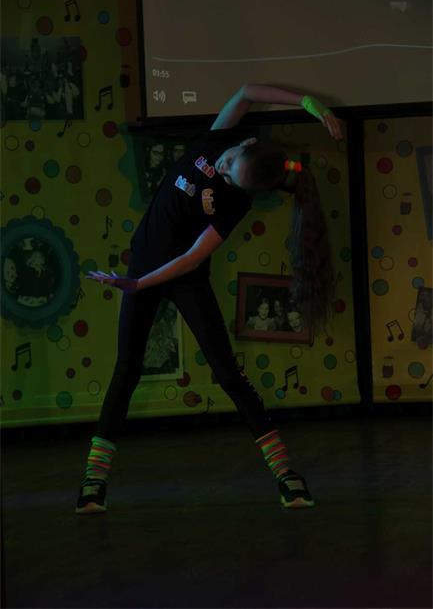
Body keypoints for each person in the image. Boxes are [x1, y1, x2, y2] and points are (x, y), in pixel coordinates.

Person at [75, 84, 343, 514]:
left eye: (232, 175)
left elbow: (190, 259)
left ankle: (286, 475)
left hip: (183, 279)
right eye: (230, 162)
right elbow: (247, 91)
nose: (224, 169)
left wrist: (139, 285)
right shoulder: (216, 140)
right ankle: (94, 481)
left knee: (228, 373)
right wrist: (310, 103)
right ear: (245, 142)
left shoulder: (234, 203)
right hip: (143, 268)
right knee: (126, 370)